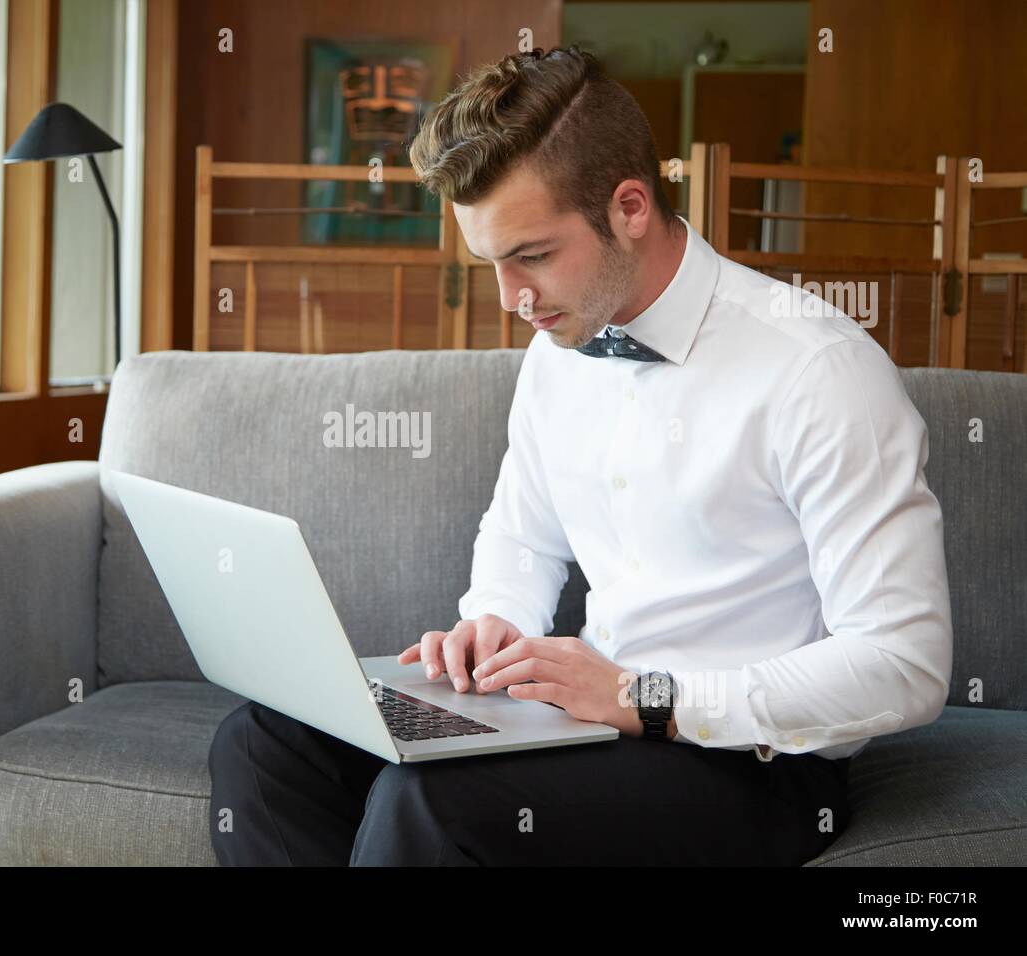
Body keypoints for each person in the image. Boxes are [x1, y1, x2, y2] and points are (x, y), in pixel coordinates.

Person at [207, 46, 953, 866]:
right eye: (491, 263)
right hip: (584, 726)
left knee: (430, 803)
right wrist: (495, 621)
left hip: (752, 765)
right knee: (264, 741)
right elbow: (524, 536)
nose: (508, 300)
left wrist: (646, 698)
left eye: (530, 255)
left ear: (630, 206)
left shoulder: (819, 370)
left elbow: (904, 664)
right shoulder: (558, 349)